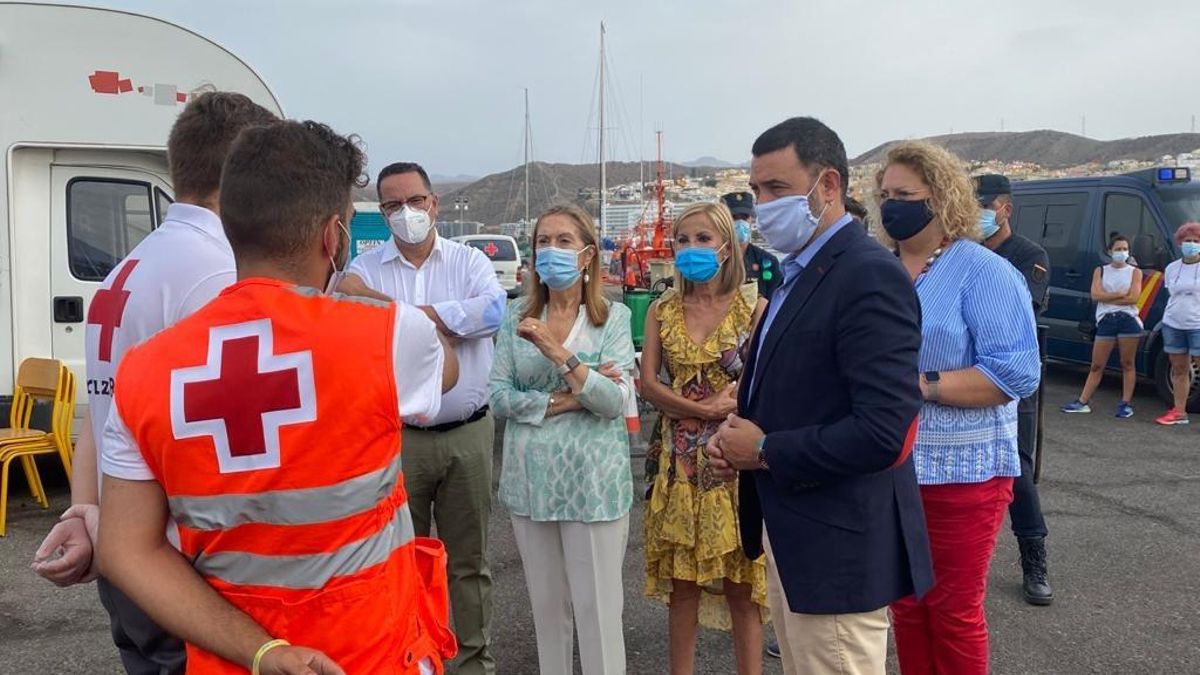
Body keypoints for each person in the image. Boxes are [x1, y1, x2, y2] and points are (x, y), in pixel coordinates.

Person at [96, 120, 460, 674]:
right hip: (371, 654)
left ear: (231, 225)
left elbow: (125, 549)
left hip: (234, 662)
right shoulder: (386, 336)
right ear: (331, 235)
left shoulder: (144, 370)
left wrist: (264, 652)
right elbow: (447, 369)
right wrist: (364, 298)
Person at [31, 91, 277, 674]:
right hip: (184, 568)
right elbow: (242, 438)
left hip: (128, 553)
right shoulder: (221, 272)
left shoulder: (129, 268)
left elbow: (102, 408)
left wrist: (86, 509)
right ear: (247, 173)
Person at [706, 117, 933, 675]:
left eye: (777, 189)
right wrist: (740, 436)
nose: (762, 206)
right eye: (757, 191)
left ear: (828, 185)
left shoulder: (866, 275)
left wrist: (765, 451)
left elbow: (882, 430)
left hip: (838, 548)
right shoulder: (800, 272)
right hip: (795, 533)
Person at [879, 142, 1040, 675]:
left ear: (941, 198)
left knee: (952, 609)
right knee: (905, 604)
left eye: (905, 194)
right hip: (890, 465)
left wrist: (920, 384)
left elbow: (1015, 372)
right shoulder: (879, 269)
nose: (892, 205)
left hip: (962, 471)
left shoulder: (984, 272)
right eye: (884, 195)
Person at [344, 161, 505, 675]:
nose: (405, 213)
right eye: (392, 204)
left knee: (469, 563)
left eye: (414, 201)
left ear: (434, 203)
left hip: (468, 434)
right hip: (399, 438)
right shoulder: (365, 270)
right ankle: (410, 659)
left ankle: (473, 662)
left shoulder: (469, 260)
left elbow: (493, 312)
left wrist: (404, 319)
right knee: (401, 561)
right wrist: (444, 320)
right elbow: (351, 315)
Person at [489, 204, 636, 675]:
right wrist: (577, 391)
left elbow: (614, 403)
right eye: (543, 241)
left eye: (564, 241)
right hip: (531, 486)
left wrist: (555, 352)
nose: (550, 251)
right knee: (547, 614)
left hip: (593, 488)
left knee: (599, 616)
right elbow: (498, 397)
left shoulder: (610, 318)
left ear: (588, 254)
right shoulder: (516, 315)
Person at [640, 202, 768, 675]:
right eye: (682, 240)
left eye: (702, 239)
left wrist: (718, 411)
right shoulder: (661, 309)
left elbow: (763, 386)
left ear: (726, 247)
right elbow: (648, 384)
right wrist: (701, 409)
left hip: (735, 464)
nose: (690, 249)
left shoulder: (754, 307)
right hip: (678, 466)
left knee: (743, 589)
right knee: (682, 589)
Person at [976, 173, 1057, 607]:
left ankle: (1034, 559)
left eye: (985, 205)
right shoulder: (960, 251)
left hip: (1009, 379)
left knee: (1017, 472)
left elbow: (1019, 308)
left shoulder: (1028, 255)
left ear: (1005, 209)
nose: (979, 214)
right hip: (962, 376)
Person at [1061, 233, 1145, 418]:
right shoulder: (1101, 270)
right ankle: (1083, 401)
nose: (1121, 252)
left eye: (1125, 249)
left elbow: (1133, 298)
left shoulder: (1135, 272)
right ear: (1110, 251)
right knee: (1097, 364)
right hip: (1106, 320)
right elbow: (1095, 295)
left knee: (1127, 363)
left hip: (1128, 320)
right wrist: (1119, 295)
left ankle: (1125, 403)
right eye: (1118, 249)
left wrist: (1110, 296)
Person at [1154, 222, 1200, 425]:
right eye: (1187, 240)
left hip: (1197, 325)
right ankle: (1179, 411)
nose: (1191, 244)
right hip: (1173, 323)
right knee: (1180, 369)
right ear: (1180, 243)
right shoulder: (1172, 268)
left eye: (1196, 241)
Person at [722, 191, 782, 298]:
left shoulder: (767, 261)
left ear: (752, 219)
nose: (740, 223)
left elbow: (775, 300)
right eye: (734, 217)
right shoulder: (714, 260)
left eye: (745, 217)